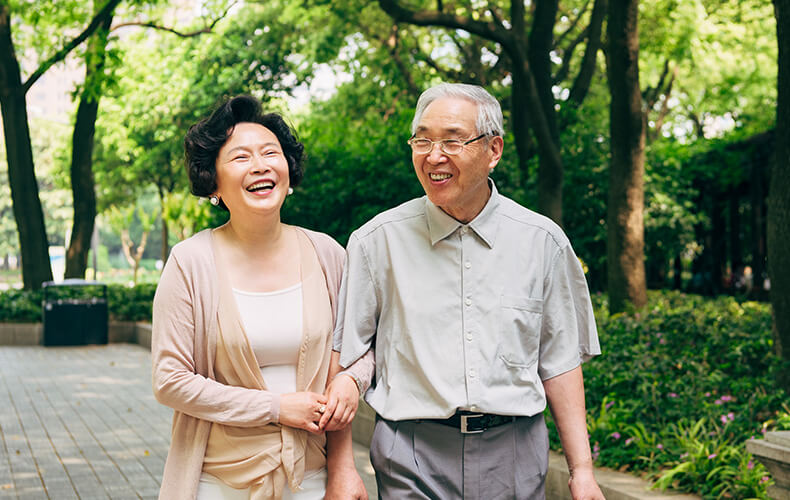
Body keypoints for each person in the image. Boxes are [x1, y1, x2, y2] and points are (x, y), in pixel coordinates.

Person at [335, 83, 605, 499]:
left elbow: (560, 362)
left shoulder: (542, 242)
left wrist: (581, 470)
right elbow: (347, 358)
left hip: (513, 451)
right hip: (412, 451)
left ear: (493, 150)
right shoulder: (376, 242)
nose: (433, 155)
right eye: (422, 140)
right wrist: (341, 469)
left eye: (452, 140)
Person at [151, 94, 372, 500]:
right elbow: (169, 381)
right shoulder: (190, 263)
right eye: (240, 158)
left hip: (312, 478)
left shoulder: (328, 254)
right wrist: (276, 406)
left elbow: (357, 352)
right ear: (213, 182)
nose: (260, 165)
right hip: (218, 482)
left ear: (287, 171)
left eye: (271, 153)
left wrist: (353, 389)